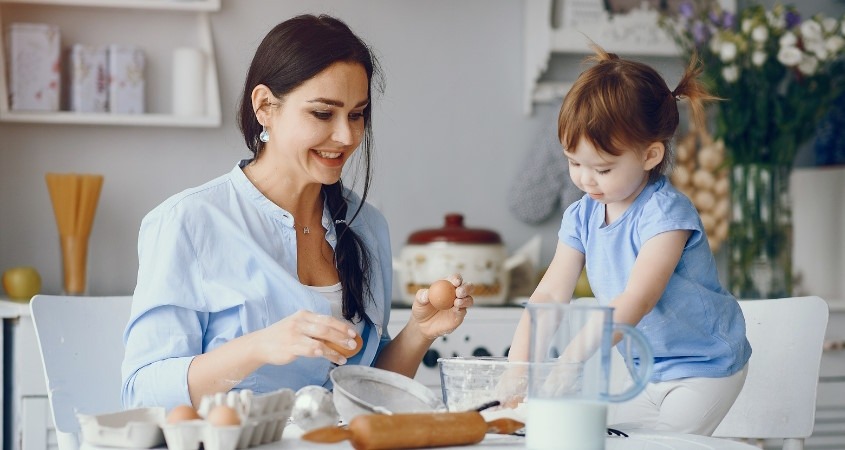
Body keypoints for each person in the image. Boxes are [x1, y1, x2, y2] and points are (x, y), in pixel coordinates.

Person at [121, 14, 473, 410]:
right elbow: (142, 392)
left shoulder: (367, 226)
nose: (346, 136)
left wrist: (418, 332)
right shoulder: (188, 222)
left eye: (356, 114)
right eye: (323, 113)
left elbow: (366, 393)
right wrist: (259, 346)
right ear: (265, 106)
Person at [506, 44, 752, 435]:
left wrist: (570, 361)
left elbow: (638, 299)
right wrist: (518, 371)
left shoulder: (666, 215)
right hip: (644, 372)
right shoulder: (582, 214)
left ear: (651, 155)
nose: (586, 180)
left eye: (602, 168)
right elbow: (551, 295)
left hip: (703, 369)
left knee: (655, 446)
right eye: (574, 162)